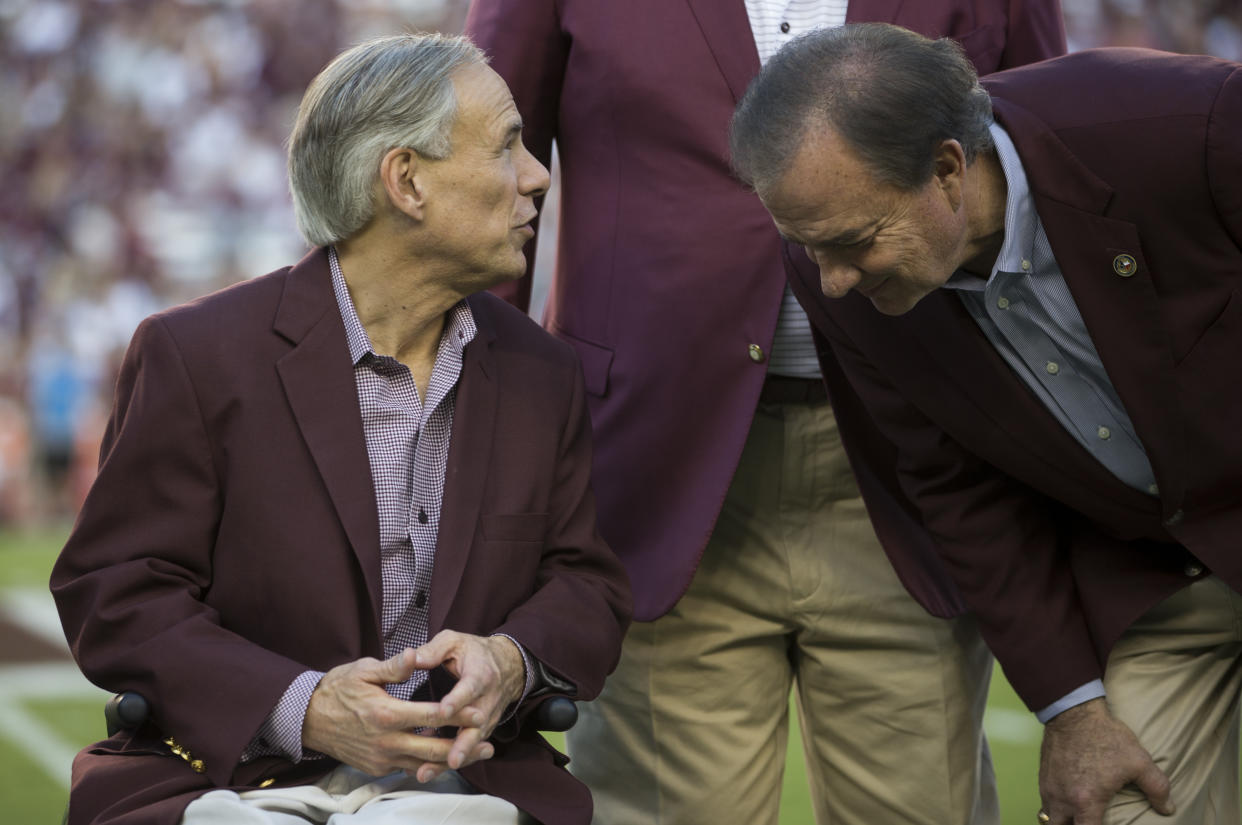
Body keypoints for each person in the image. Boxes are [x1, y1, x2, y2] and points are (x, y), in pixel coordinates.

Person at [464, 3, 1065, 824]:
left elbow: (1029, 159)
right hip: (654, 467)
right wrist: (479, 437)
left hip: (915, 465)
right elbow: (483, 166)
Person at [50, 32, 631, 825]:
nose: (536, 176)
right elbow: (115, 591)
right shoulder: (197, 354)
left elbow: (587, 586)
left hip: (462, 786)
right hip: (231, 775)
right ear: (406, 182)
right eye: (506, 147)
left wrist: (511, 660)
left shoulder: (542, 370)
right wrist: (302, 704)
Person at [732, 21, 1242, 825]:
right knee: (1122, 809)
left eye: (852, 243)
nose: (829, 283)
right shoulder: (836, 269)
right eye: (807, 247)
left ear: (947, 168)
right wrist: (1073, 712)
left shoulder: (1195, 123)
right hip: (1158, 585)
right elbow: (958, 489)